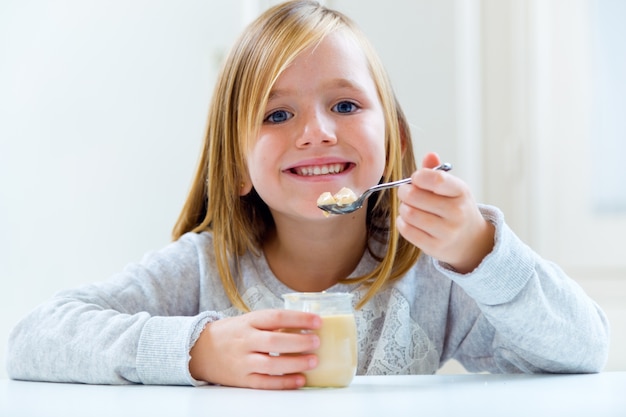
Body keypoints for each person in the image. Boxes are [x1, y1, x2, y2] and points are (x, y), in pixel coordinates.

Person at [6, 0, 609, 390]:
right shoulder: (200, 269)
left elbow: (582, 352)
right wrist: (199, 351)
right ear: (236, 168)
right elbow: (35, 338)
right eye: (277, 114)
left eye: (345, 105)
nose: (317, 130)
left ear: (393, 142)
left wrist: (480, 251)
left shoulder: (432, 278)